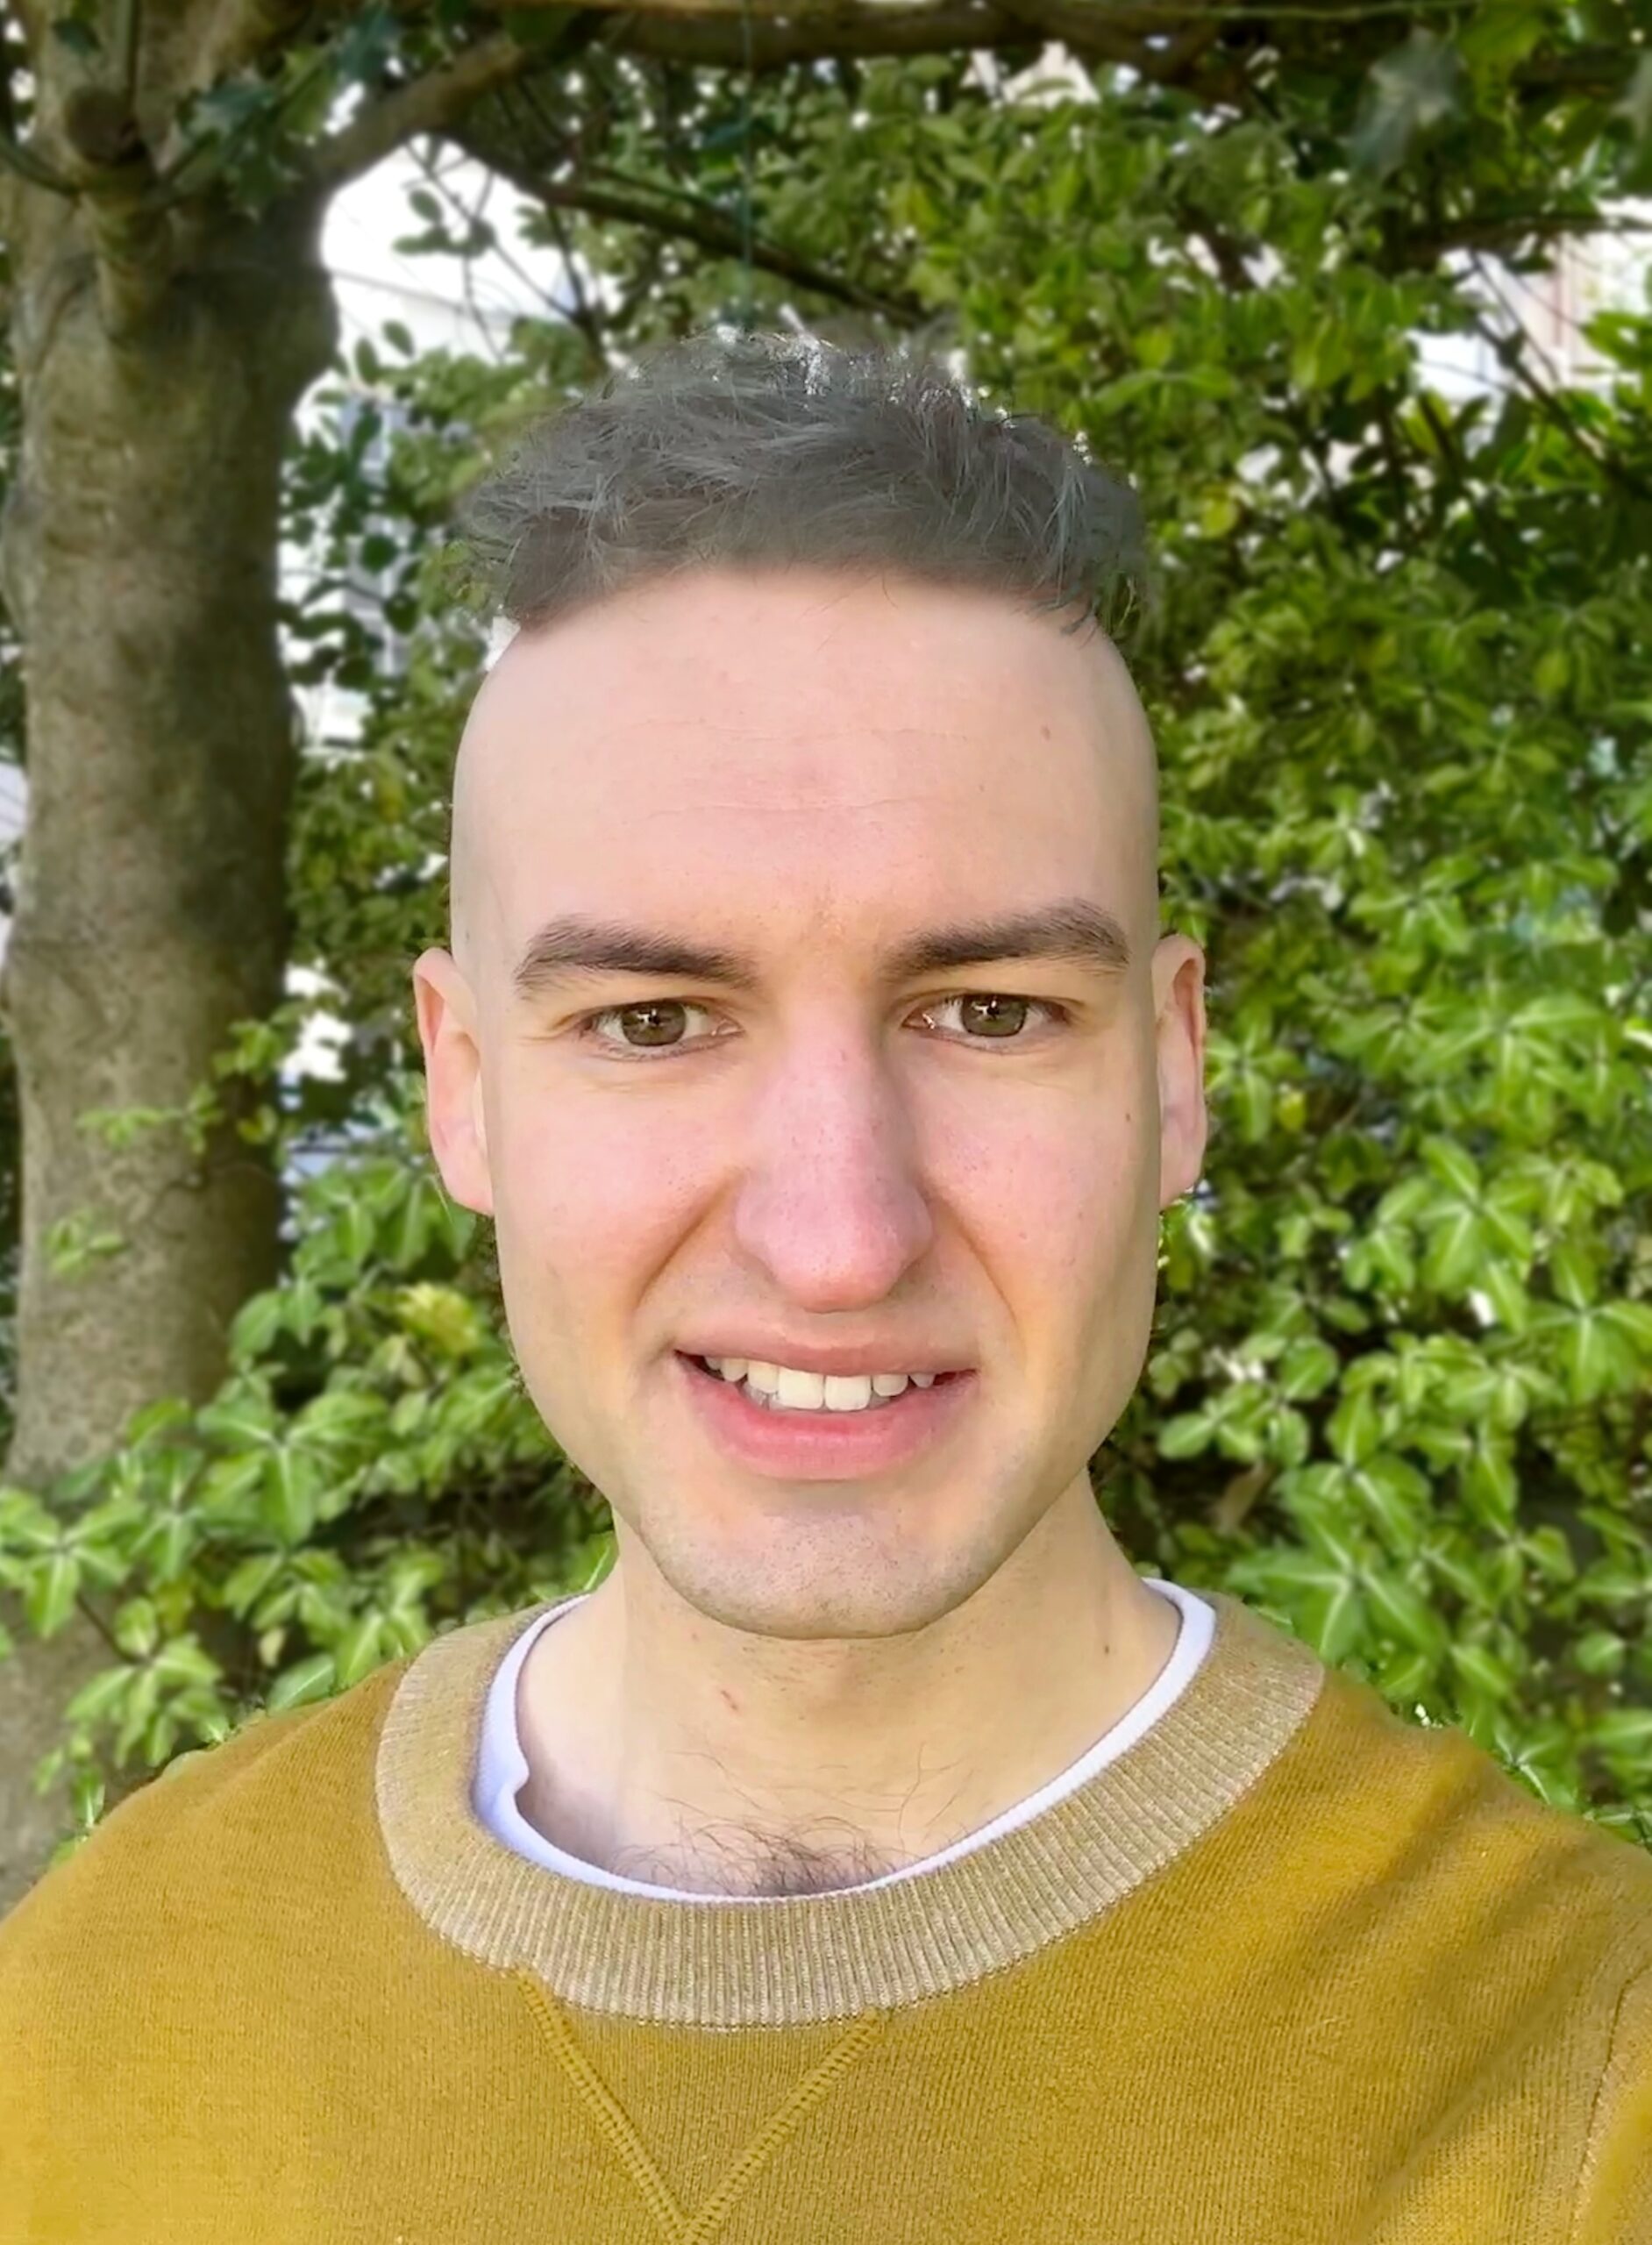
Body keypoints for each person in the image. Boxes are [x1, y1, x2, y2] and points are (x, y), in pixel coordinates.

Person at [1, 329, 1648, 2244]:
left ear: (1173, 1071)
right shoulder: (100, 2000)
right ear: (464, 1089)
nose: (840, 1234)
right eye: (652, 1019)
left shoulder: (1577, 2069)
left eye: (987, 1011)